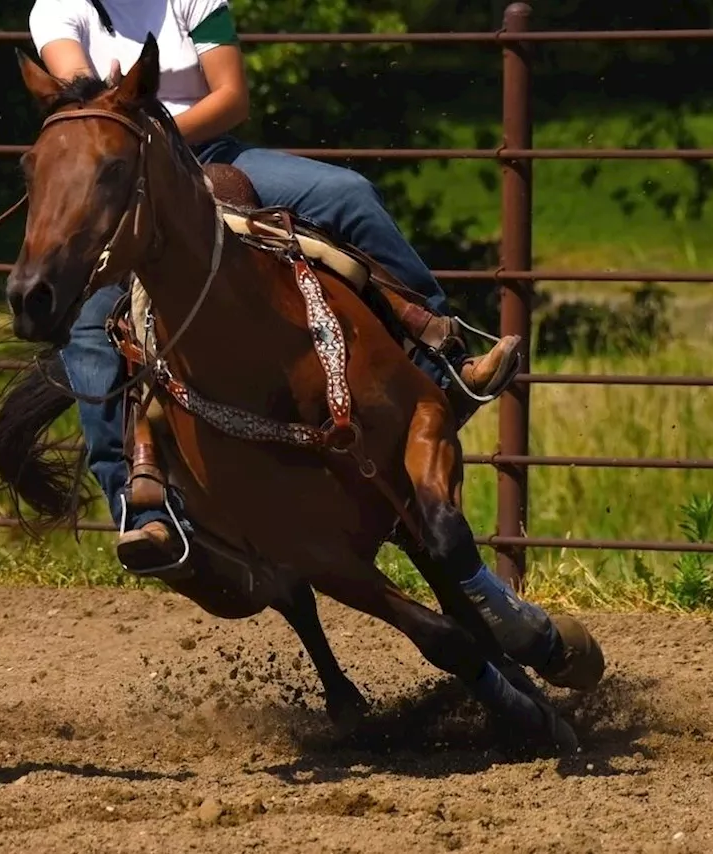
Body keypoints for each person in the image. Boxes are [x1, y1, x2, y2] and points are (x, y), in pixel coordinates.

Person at [28, 0, 522, 573]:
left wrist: (153, 143)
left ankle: (444, 360)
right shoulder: (57, 11)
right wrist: (129, 148)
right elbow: (82, 104)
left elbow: (230, 97)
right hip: (112, 178)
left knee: (348, 197)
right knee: (90, 329)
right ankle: (141, 512)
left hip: (205, 156)